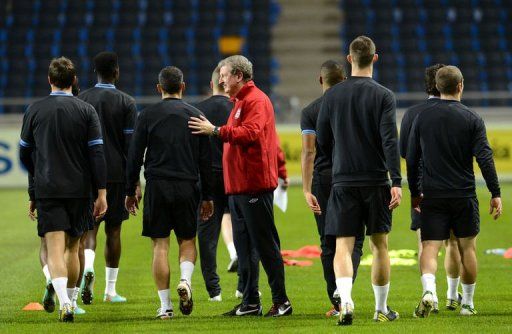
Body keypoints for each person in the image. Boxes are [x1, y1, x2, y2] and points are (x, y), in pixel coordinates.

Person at [189, 55, 292, 317]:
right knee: (244, 248)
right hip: (237, 187)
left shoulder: (255, 100)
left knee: (265, 245)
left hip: (253, 185)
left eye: (224, 75)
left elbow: (251, 132)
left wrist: (216, 130)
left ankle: (282, 301)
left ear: (238, 75)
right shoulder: (239, 102)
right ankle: (249, 302)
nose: (220, 79)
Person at [316, 36, 402, 325]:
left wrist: (339, 160)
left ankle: (346, 300)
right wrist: (397, 181)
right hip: (377, 180)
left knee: (343, 244)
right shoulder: (384, 96)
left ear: (349, 59)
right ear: (375, 59)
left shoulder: (331, 96)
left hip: (343, 181)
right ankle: (381, 309)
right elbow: (391, 141)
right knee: (380, 245)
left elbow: (323, 141)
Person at [406, 65, 502, 317]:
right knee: (466, 248)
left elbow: (413, 159)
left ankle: (429, 290)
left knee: (429, 247)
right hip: (463, 194)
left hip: (432, 194)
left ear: (437, 87)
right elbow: (485, 158)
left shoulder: (421, 118)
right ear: (460, 86)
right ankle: (467, 304)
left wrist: (415, 193)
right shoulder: (472, 118)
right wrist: (495, 192)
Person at [20, 57, 107, 322]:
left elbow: (25, 153)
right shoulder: (86, 111)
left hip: (48, 188)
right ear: (74, 81)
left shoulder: (34, 110)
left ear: (50, 80)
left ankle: (64, 303)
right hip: (79, 189)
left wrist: (36, 182)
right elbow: (97, 154)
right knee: (73, 248)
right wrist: (101, 193)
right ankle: (71, 299)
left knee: (54, 249)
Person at [125, 66, 214, 319]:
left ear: (159, 88)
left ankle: (165, 306)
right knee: (187, 240)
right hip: (188, 186)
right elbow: (205, 161)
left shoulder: (147, 115)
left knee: (160, 246)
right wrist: (207, 196)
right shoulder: (196, 115)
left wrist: (131, 189)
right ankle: (185, 281)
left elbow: (134, 157)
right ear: (182, 87)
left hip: (158, 186)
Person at [300, 60, 364, 318]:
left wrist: (306, 188)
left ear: (320, 80)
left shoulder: (310, 110)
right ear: (345, 79)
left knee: (328, 241)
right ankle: (344, 289)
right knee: (354, 239)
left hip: (324, 180)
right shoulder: (355, 107)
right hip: (352, 176)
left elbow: (308, 151)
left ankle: (336, 299)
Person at [400, 63, 463, 312]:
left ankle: (431, 294)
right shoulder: (461, 112)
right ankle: (452, 295)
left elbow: (406, 152)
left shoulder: (413, 114)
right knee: (454, 244)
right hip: (456, 187)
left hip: (424, 187)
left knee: (425, 243)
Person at [78, 51, 139, 305]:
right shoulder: (126, 102)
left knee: (89, 229)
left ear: (95, 73)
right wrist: (134, 182)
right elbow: (131, 145)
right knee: (114, 231)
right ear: (116, 72)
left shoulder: (81, 99)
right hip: (116, 174)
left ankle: (88, 266)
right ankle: (110, 291)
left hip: (87, 174)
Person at [194, 66, 235, 302]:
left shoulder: (197, 110)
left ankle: (214, 291)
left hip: (206, 179)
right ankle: (245, 287)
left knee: (207, 236)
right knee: (242, 230)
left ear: (212, 85)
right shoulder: (238, 108)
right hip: (234, 177)